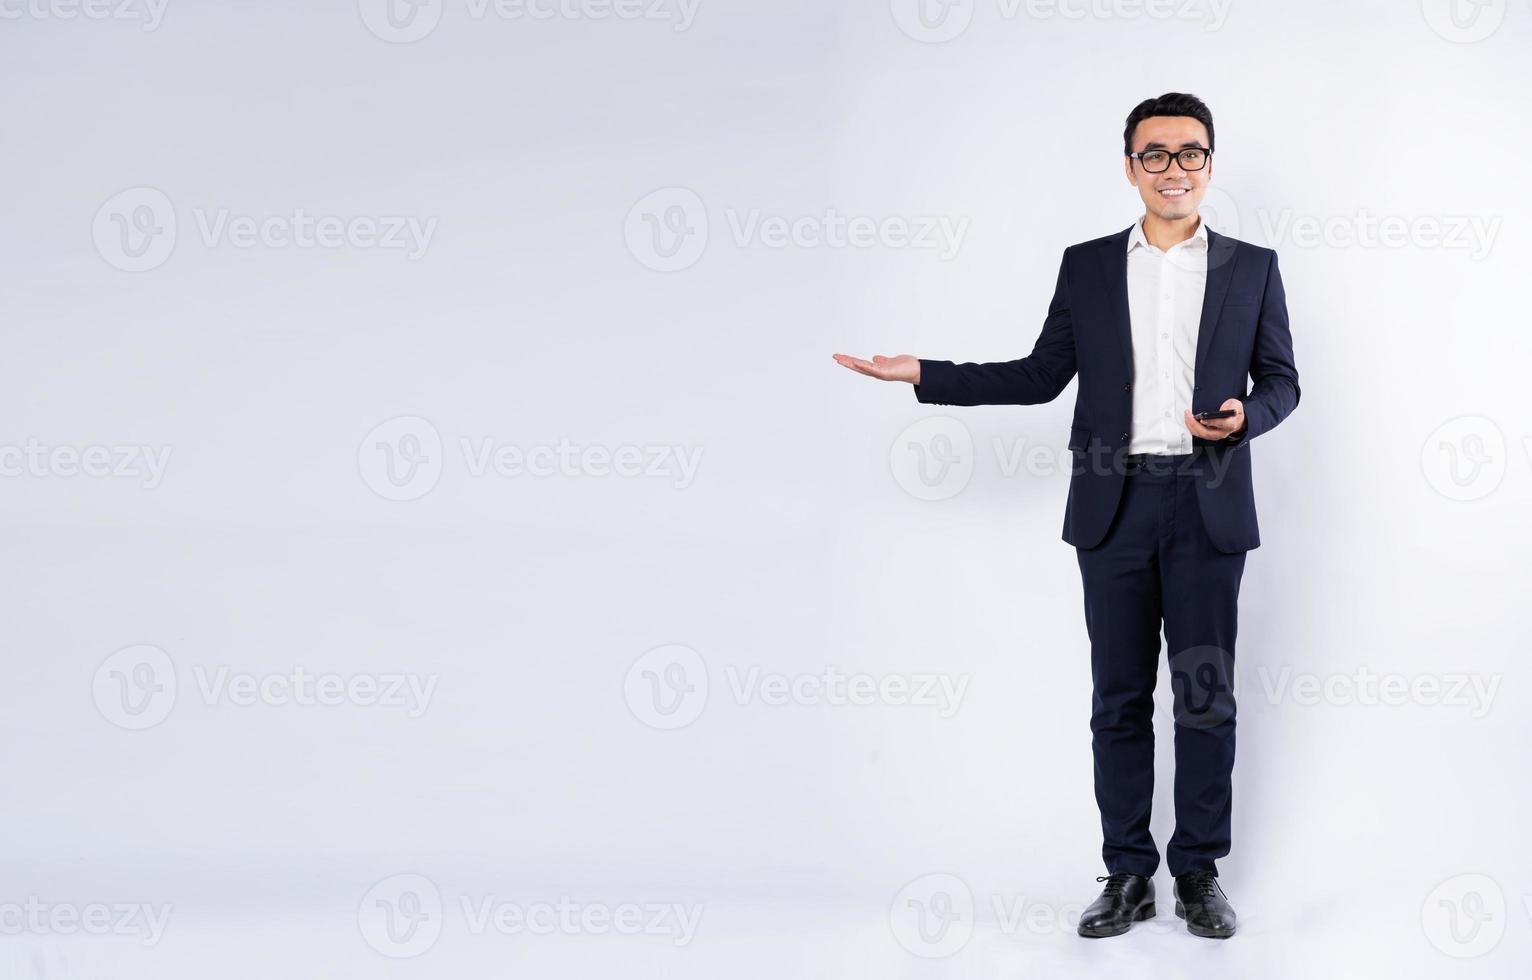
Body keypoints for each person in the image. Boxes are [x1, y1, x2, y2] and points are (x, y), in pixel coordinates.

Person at [833, 92, 1299, 940]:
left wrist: (1245, 417)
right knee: (1117, 698)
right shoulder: (1087, 265)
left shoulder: (1253, 266)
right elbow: (1041, 373)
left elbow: (1283, 382)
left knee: (1203, 697)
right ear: (1129, 167)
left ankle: (1198, 871)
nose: (1173, 168)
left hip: (1207, 505)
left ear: (1209, 164)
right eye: (1153, 154)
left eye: (1189, 153)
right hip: (1112, 508)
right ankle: (1128, 872)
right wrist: (925, 372)